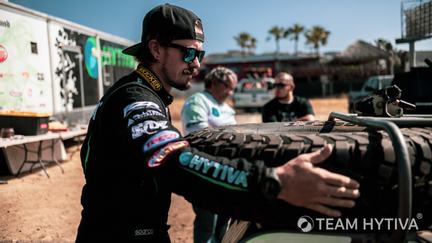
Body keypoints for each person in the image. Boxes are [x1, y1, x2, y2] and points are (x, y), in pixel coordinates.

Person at [76, 4, 360, 242]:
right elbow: (169, 158)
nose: (197, 64)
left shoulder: (140, 93)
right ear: (156, 49)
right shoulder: (135, 99)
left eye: (200, 54)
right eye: (188, 53)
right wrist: (274, 182)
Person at [181, 66, 237, 243]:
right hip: (204, 169)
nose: (231, 91)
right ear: (213, 83)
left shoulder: (228, 108)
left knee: (224, 222)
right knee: (207, 223)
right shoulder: (197, 101)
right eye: (227, 86)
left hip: (228, 170)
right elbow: (199, 135)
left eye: (233, 87)